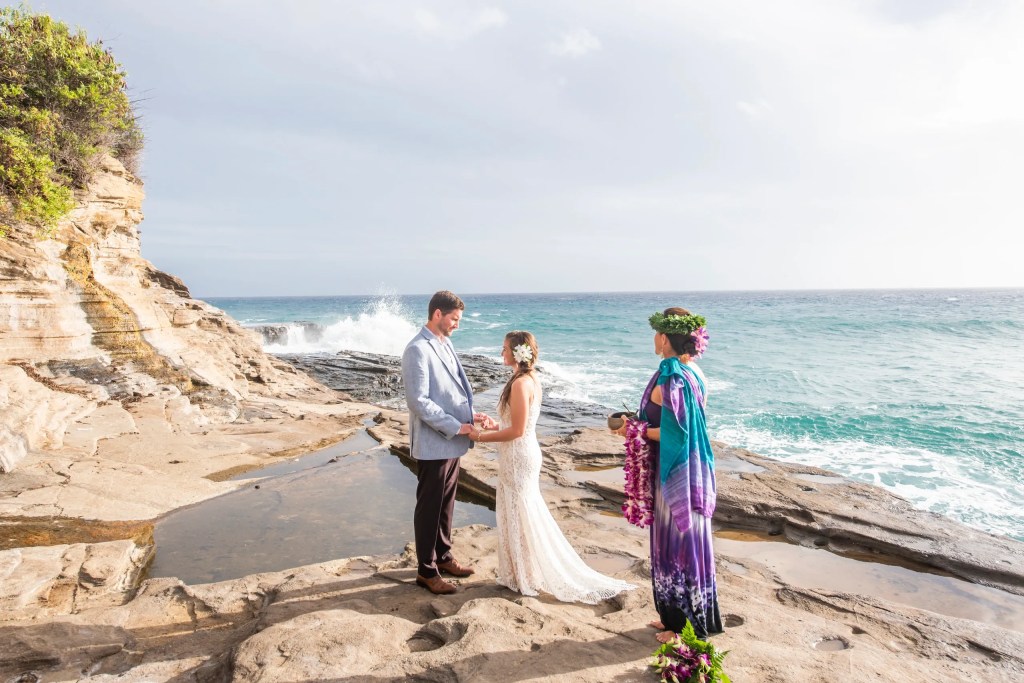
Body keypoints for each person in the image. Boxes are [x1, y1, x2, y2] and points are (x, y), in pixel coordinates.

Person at [470, 331, 635, 604]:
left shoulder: (522, 384)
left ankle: (525, 576)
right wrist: (493, 425)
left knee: (521, 513)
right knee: (517, 512)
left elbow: (519, 430)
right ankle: (518, 573)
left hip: (519, 456)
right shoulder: (527, 379)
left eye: (504, 349)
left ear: (517, 353)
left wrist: (478, 436)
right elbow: (516, 426)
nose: (501, 353)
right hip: (517, 454)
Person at [613, 307, 722, 643]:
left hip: (674, 470)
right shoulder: (695, 373)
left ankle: (684, 628)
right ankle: (677, 617)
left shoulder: (671, 378)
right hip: (694, 468)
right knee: (687, 541)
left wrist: (634, 431)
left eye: (656, 334)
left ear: (664, 338)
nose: (653, 339)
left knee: (676, 545)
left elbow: (676, 433)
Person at [401, 290, 494, 595]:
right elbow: (419, 401)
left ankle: (443, 556)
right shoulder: (417, 349)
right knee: (430, 507)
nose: (457, 325)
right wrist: (457, 426)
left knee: (446, 504)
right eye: (454, 319)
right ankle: (426, 571)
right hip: (435, 441)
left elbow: (454, 389)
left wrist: (471, 415)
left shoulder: (446, 342)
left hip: (453, 440)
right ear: (437, 314)